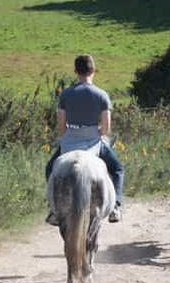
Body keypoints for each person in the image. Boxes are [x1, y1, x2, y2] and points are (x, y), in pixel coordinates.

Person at [46, 55, 124, 225]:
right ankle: (116, 206)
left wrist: (71, 135)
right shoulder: (102, 95)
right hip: (93, 142)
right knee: (118, 169)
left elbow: (61, 127)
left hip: (69, 142)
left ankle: (53, 210)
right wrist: (93, 131)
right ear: (93, 70)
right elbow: (106, 129)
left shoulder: (66, 94)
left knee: (50, 168)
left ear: (75, 72)